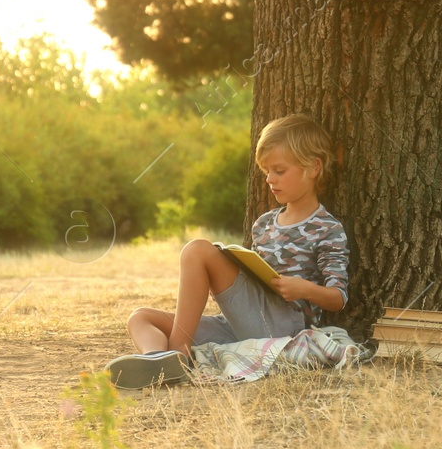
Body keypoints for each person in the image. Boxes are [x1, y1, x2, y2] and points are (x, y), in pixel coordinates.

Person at [105, 113, 350, 389]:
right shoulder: (264, 224)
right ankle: (157, 360)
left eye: (279, 171)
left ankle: (177, 353)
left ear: (313, 168)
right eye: (266, 171)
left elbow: (338, 297)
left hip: (284, 327)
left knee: (197, 251)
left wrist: (303, 288)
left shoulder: (327, 228)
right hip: (242, 324)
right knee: (141, 317)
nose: (270, 179)